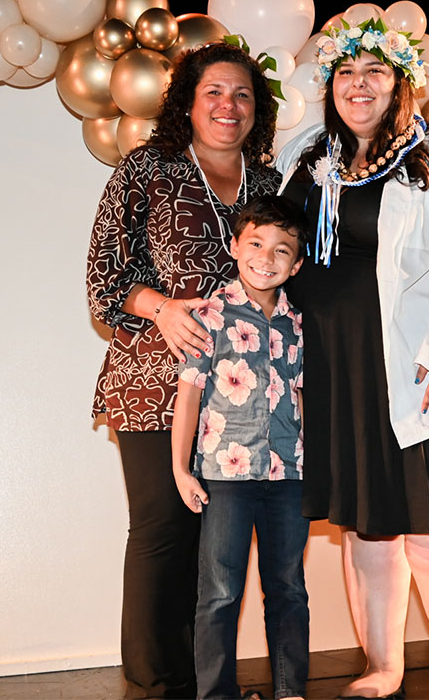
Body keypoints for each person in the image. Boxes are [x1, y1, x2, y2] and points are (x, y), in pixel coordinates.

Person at [274, 19, 429, 700]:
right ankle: (382, 666)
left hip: (420, 370)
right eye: (346, 73)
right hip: (335, 372)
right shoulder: (307, 155)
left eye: (374, 72)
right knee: (369, 532)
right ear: (331, 85)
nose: (358, 85)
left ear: (399, 82)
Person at [86, 41, 279, 699]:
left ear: (259, 110)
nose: (229, 106)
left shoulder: (270, 186)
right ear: (189, 104)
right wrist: (162, 308)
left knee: (218, 546)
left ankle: (207, 683)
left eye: (244, 94)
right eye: (215, 93)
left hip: (243, 399)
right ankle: (155, 684)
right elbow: (105, 277)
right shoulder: (147, 169)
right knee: (166, 528)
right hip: (154, 381)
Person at [171, 195, 310, 700]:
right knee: (220, 592)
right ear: (235, 246)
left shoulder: (299, 326)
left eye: (281, 250)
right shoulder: (209, 315)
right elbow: (188, 395)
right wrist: (181, 470)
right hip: (224, 478)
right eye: (255, 243)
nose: (265, 257)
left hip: (288, 477)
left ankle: (290, 690)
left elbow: (305, 398)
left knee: (288, 589)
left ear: (295, 265)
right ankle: (217, 694)